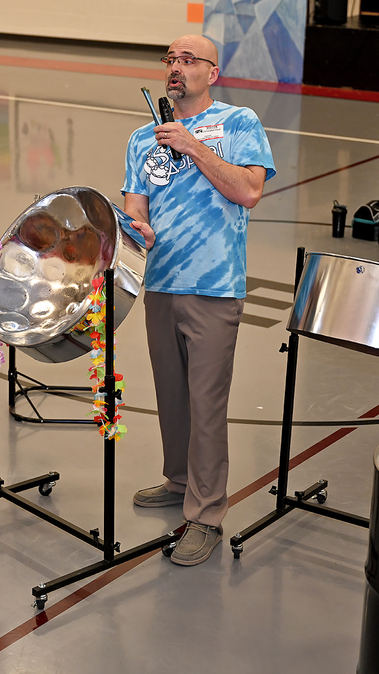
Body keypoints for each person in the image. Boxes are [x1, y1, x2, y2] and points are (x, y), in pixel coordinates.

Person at [122, 35, 276, 566]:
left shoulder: (239, 124)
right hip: (160, 283)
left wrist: (192, 145)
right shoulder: (143, 137)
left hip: (214, 286)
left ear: (212, 73)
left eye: (188, 61)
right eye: (169, 59)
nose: (175, 68)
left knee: (207, 403)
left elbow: (249, 191)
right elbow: (135, 206)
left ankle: (207, 513)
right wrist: (132, 226)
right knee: (172, 393)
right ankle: (181, 479)